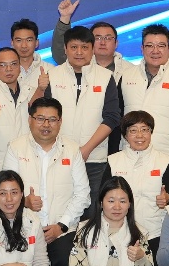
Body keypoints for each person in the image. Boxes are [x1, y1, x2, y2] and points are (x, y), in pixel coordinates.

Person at [2, 97, 90, 266]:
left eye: (52, 119)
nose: (46, 124)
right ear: (30, 120)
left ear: (60, 122)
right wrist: (24, 202)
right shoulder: (16, 147)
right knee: (19, 263)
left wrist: (61, 226)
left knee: (64, 261)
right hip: (24, 225)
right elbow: (5, 191)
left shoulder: (72, 149)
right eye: (40, 118)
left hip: (61, 227)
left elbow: (83, 194)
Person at [37, 25, 121, 204]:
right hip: (58, 156)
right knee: (59, 207)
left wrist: (86, 150)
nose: (79, 52)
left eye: (84, 47)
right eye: (74, 47)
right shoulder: (53, 75)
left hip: (94, 159)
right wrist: (40, 88)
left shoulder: (106, 77)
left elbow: (112, 117)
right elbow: (39, 115)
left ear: (92, 49)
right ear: (65, 49)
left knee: (91, 209)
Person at [102, 111, 169, 266]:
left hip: (154, 229)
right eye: (133, 130)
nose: (140, 135)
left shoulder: (164, 160)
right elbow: (103, 196)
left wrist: (166, 198)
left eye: (145, 130)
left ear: (151, 133)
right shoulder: (114, 160)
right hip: (121, 228)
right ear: (125, 135)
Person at [116, 25, 169, 176]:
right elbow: (117, 115)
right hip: (129, 156)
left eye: (161, 46)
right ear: (142, 49)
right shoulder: (126, 76)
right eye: (150, 46)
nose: (155, 51)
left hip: (167, 159)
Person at [9, 18, 48, 86]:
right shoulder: (4, 71)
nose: (24, 45)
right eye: (19, 40)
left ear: (36, 43)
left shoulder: (49, 70)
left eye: (29, 40)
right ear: (12, 43)